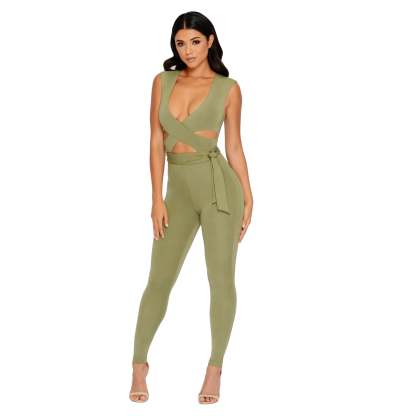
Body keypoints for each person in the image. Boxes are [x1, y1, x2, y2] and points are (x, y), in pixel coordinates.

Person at [129, 11, 253, 404]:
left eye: (195, 42)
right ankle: (139, 365)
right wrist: (156, 199)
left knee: (221, 280)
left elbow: (234, 146)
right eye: (180, 43)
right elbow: (155, 140)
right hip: (177, 192)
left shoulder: (228, 88)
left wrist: (249, 195)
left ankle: (214, 369)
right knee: (158, 279)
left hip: (219, 190)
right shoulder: (162, 82)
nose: (188, 50)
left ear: (210, 41)